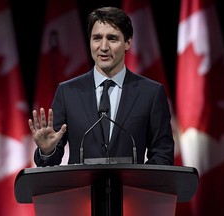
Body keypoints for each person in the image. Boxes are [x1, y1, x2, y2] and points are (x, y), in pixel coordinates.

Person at [29, 6, 174, 167]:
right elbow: (51, 161)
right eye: (97, 38)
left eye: (112, 39)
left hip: (130, 191)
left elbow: (163, 154)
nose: (103, 47)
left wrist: (136, 185)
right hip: (82, 191)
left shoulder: (151, 93)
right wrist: (47, 151)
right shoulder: (67, 92)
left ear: (127, 43)